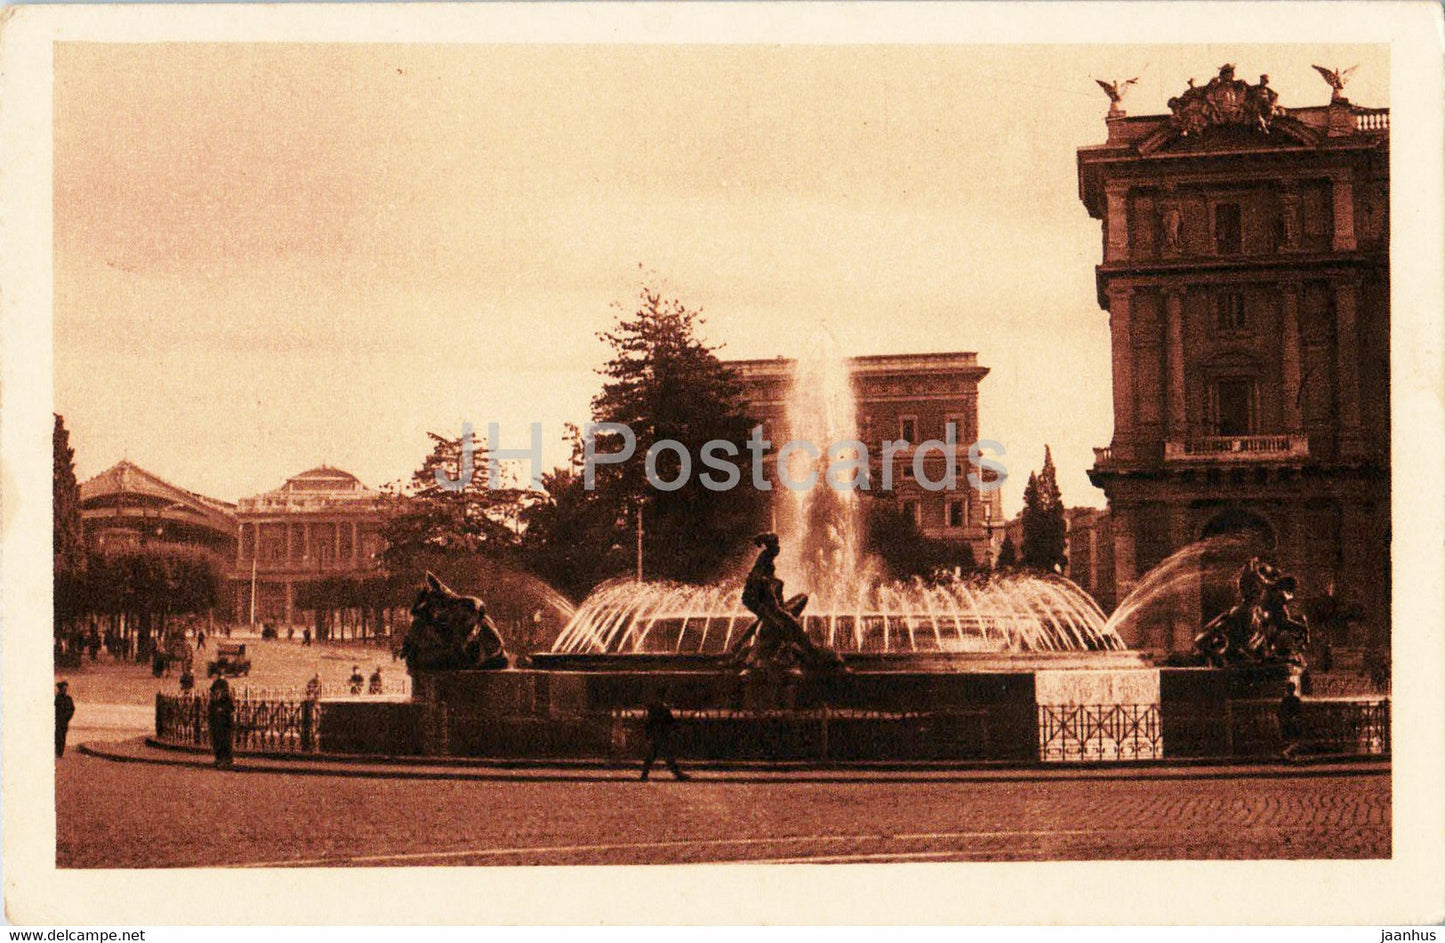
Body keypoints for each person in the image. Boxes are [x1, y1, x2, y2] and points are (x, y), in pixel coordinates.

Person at [640, 696, 688, 781]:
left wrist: (648, 736)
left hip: (656, 736)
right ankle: (677, 774)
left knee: (652, 756)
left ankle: (644, 774)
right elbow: (671, 723)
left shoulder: (653, 710)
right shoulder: (663, 710)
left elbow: (648, 725)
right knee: (667, 756)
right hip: (662, 736)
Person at [207, 676, 235, 769]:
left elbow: (231, 709)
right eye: (215, 691)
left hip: (224, 725)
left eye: (218, 690)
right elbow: (209, 710)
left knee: (225, 742)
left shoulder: (227, 699)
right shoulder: (213, 701)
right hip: (215, 724)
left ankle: (226, 760)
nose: (216, 692)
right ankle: (219, 758)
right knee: (216, 742)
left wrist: (222, 711)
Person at [1278, 681, 1303, 761]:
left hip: (1287, 722)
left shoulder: (1284, 700)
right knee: (1297, 741)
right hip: (1294, 722)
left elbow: (1280, 712)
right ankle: (1288, 753)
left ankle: (1291, 755)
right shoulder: (1296, 699)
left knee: (1291, 740)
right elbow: (1299, 711)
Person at [55, 681, 76, 758]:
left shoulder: (68, 699)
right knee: (57, 736)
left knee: (62, 737)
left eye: (65, 689)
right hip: (56, 721)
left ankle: (60, 752)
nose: (64, 690)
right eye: (63, 689)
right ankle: (58, 752)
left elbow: (72, 709)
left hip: (63, 721)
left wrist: (67, 717)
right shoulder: (56, 699)